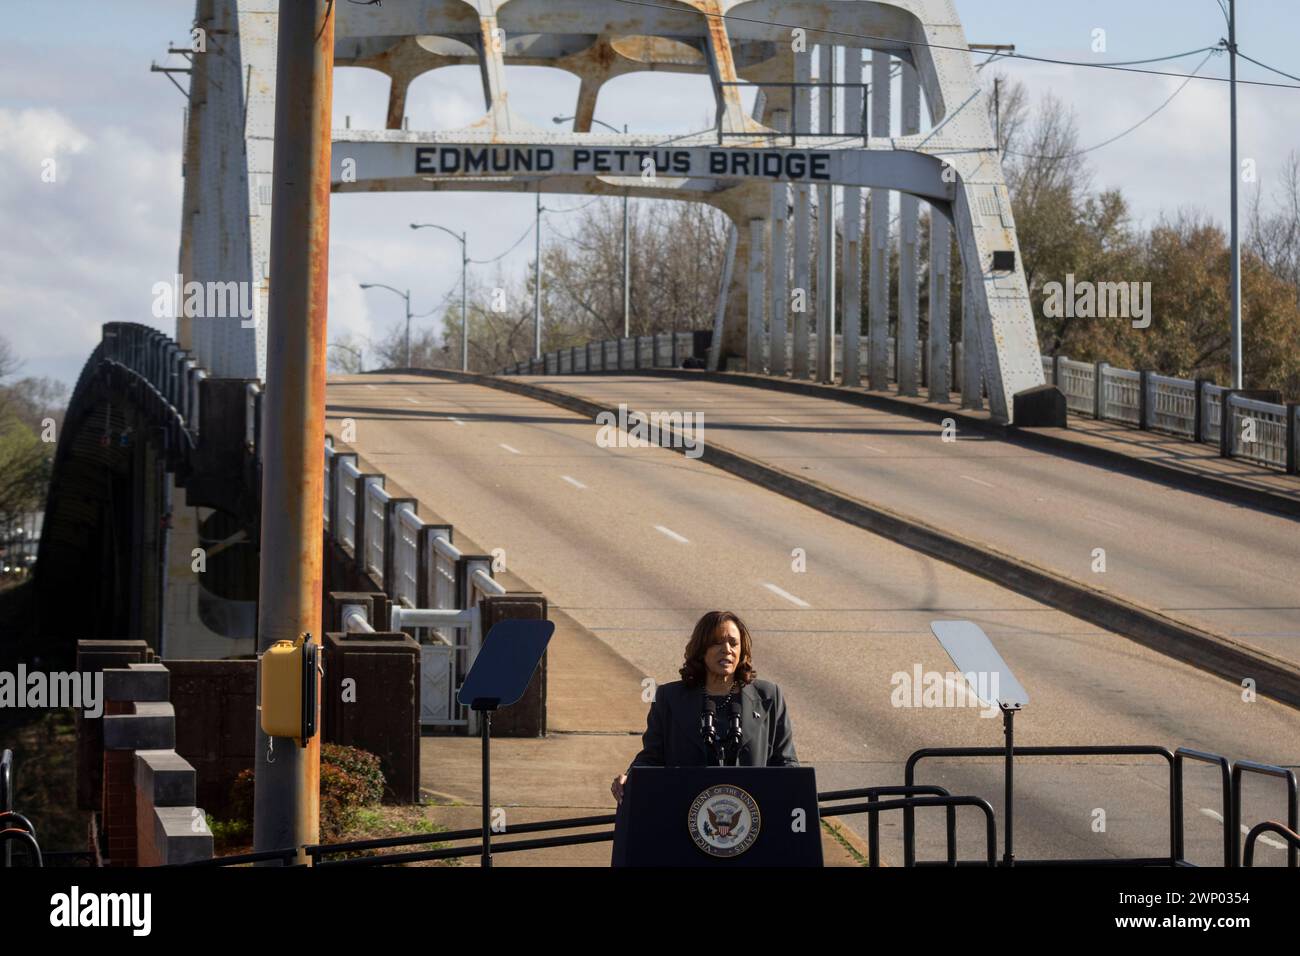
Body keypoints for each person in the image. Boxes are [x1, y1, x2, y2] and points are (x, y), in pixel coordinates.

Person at [611, 610, 798, 804]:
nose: (727, 649)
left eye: (733, 643)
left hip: (752, 820)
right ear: (701, 649)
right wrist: (630, 777)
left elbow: (786, 763)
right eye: (717, 642)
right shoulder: (669, 698)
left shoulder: (769, 696)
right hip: (687, 815)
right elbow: (652, 758)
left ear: (742, 650)